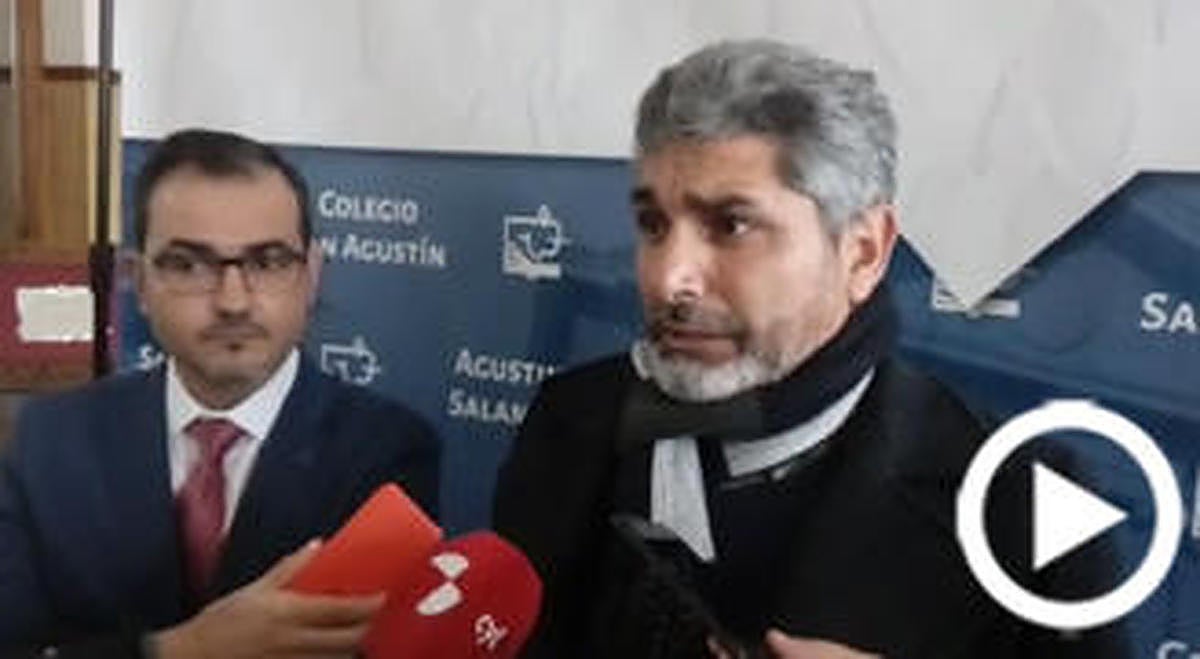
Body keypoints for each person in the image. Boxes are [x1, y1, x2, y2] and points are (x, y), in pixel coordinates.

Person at [493, 40, 1125, 658]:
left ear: (863, 252)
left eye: (732, 225)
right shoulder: (571, 419)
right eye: (654, 225)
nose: (667, 278)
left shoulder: (1030, 503)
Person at [0, 129, 441, 658]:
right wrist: (179, 650)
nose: (234, 302)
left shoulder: (387, 451)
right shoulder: (49, 440)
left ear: (311, 276)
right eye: (189, 265)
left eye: (269, 261)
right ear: (139, 282)